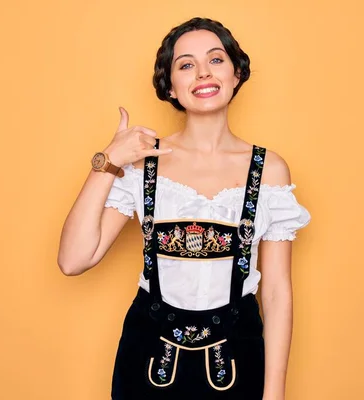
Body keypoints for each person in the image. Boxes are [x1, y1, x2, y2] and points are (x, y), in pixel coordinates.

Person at [58, 16, 311, 400]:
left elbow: (276, 292)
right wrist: (109, 160)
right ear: (171, 87)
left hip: (238, 360)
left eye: (216, 59)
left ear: (237, 73)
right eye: (186, 65)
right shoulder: (143, 163)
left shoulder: (270, 169)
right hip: (146, 360)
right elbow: (74, 260)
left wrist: (273, 391)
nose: (203, 73)